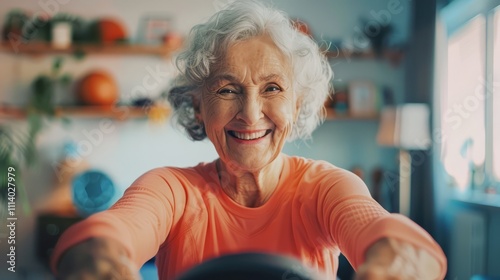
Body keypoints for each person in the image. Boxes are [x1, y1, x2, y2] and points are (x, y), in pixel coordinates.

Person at [51, 1, 447, 279]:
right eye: (226, 90)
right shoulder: (170, 189)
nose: (251, 114)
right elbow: (108, 235)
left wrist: (396, 262)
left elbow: (386, 236)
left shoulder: (327, 187)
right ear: (198, 106)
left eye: (272, 88)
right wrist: (96, 258)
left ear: (298, 104)